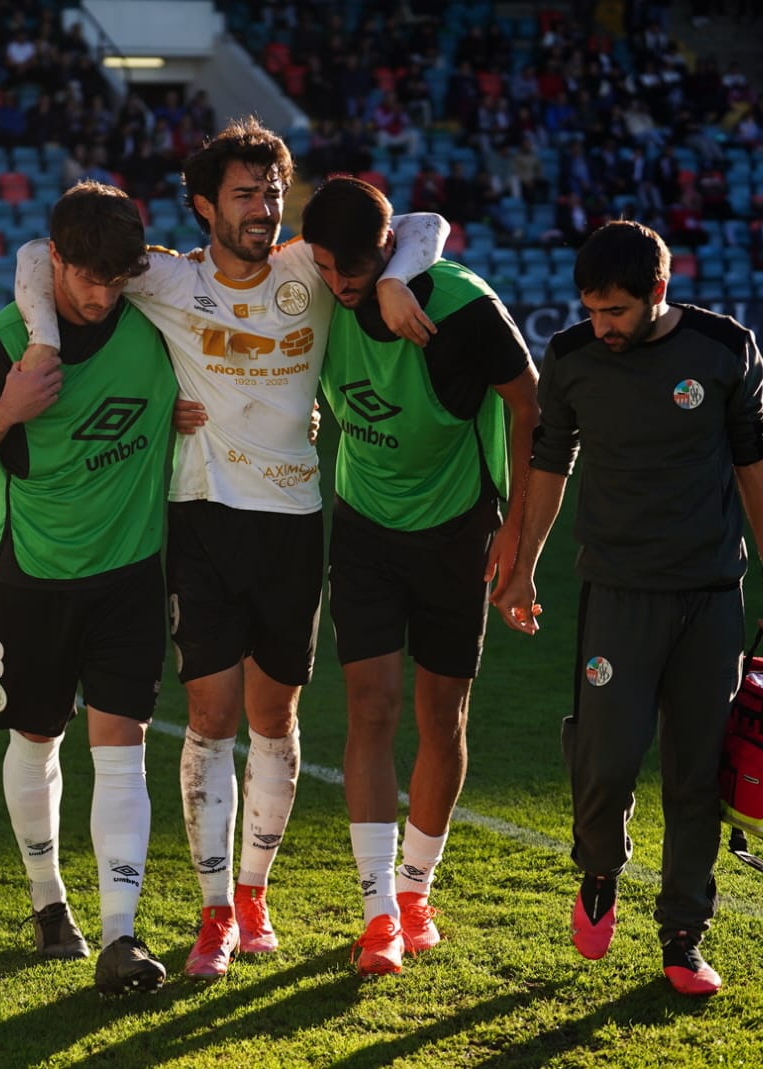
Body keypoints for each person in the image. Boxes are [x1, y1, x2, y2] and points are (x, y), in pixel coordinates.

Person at [14, 116, 448, 981]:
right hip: (203, 515)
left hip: (293, 519)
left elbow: (427, 226)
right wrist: (41, 338)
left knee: (275, 719)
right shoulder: (164, 278)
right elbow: (38, 254)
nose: (266, 208)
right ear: (207, 204)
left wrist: (398, 278)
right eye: (247, 194)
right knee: (210, 719)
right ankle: (212, 912)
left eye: (274, 191)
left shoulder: (308, 267)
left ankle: (254, 893)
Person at [492, 220, 763, 997]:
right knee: (605, 760)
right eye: (593, 310)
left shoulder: (724, 350)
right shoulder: (570, 358)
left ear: (659, 291)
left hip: (708, 599)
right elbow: (549, 465)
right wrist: (523, 568)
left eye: (617, 312)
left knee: (697, 774)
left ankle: (684, 935)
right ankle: (600, 870)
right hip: (615, 598)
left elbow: (755, 462)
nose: (604, 326)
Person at [0, 180, 176, 996]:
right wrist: (8, 408)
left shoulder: (154, 325)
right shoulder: (6, 342)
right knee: (35, 742)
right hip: (33, 575)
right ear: (57, 261)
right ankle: (47, 901)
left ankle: (120, 935)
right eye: (86, 278)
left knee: (123, 749)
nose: (102, 296)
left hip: (132, 572)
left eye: (116, 280)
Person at [299, 177, 540, 975]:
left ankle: (414, 890)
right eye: (327, 269)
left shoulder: (461, 304)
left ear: (387, 247)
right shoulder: (315, 284)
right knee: (371, 707)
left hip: (455, 529)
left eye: (357, 268)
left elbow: (528, 400)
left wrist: (516, 528)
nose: (339, 285)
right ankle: (376, 916)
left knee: (444, 718)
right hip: (363, 526)